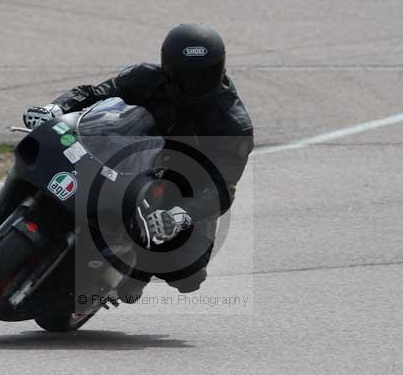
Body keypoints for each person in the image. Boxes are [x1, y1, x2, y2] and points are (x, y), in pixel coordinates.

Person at [23, 23, 254, 300]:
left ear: (220, 69)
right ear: (168, 67)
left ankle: (133, 272)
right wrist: (56, 108)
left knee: (187, 273)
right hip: (127, 157)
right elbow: (97, 92)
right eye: (185, 77)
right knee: (60, 144)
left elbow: (221, 189)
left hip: (181, 188)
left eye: (204, 76)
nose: (194, 86)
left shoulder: (233, 126)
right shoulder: (145, 78)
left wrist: (181, 215)